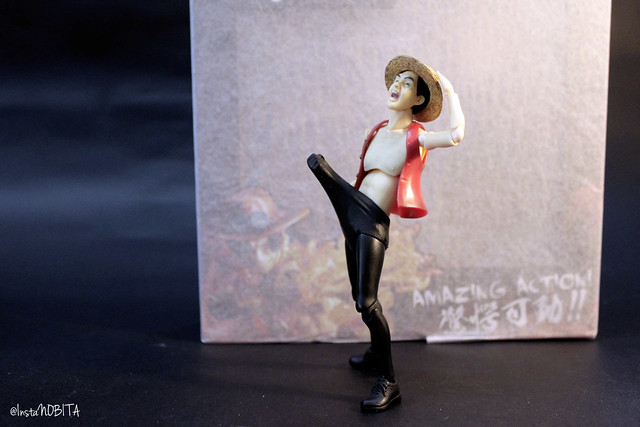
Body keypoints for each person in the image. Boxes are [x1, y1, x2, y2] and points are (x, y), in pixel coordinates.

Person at [307, 55, 465, 412]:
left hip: (373, 223)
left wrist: (450, 91)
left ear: (418, 99)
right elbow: (363, 176)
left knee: (367, 302)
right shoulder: (376, 131)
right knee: (357, 299)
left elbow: (456, 135)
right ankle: (375, 351)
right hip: (351, 215)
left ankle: (389, 381)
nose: (397, 85)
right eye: (397, 80)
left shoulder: (417, 137)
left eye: (407, 83)